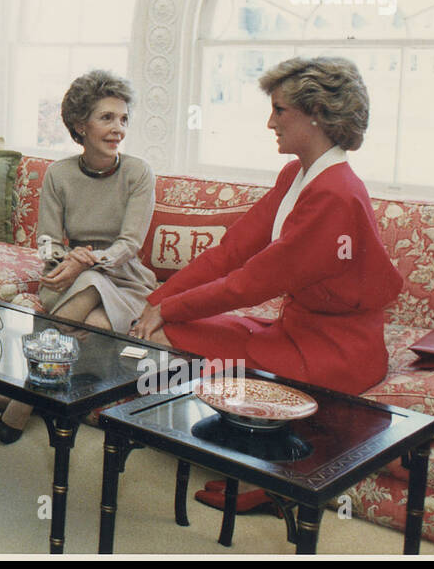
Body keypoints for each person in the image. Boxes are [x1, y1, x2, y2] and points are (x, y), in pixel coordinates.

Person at [129, 56, 402, 511]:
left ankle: (276, 479)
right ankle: (254, 459)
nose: (269, 122)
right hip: (296, 333)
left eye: (279, 111)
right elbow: (231, 251)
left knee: (181, 328)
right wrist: (154, 301)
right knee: (177, 329)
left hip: (337, 352)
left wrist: (168, 310)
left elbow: (248, 284)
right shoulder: (296, 175)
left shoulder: (335, 193)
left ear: (315, 113)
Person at [0, 70, 158, 443]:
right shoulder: (59, 174)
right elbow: (46, 243)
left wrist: (85, 261)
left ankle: (21, 394)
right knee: (94, 315)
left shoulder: (138, 173)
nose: (118, 128)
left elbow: (129, 245)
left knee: (97, 308)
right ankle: (41, 395)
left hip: (124, 280)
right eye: (106, 117)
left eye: (123, 119)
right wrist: (68, 261)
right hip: (68, 278)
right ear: (80, 125)